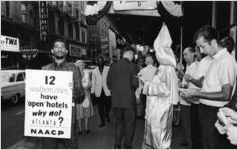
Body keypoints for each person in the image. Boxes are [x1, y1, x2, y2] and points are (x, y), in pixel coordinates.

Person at [181, 25, 237, 149]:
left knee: (213, 145)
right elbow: (211, 87)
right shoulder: (215, 60)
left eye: (202, 46)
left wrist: (197, 94)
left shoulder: (225, 61)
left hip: (214, 113)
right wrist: (196, 91)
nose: (200, 51)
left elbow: (226, 94)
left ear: (213, 42)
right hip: (207, 110)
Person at [40, 38, 84, 148]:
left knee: (72, 147)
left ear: (66, 51)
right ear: (52, 51)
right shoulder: (44, 69)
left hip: (68, 118)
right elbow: (38, 96)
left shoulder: (74, 69)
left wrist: (75, 90)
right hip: (48, 119)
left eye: (62, 47)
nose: (59, 49)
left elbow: (80, 96)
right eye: (56, 47)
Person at [141, 23, 179, 149]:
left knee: (160, 135)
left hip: (161, 108)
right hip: (159, 106)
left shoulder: (166, 69)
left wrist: (147, 85)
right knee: (158, 134)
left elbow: (165, 89)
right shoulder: (165, 68)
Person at [107, 46, 139, 149]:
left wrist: (116, 91)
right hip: (129, 101)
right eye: (133, 55)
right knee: (129, 125)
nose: (133, 57)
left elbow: (108, 83)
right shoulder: (133, 66)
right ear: (129, 54)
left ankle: (117, 144)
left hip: (116, 101)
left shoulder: (113, 65)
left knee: (119, 124)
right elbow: (135, 83)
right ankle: (127, 145)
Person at [178, 47, 197, 148]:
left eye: (186, 54)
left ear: (193, 54)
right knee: (184, 123)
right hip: (184, 99)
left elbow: (193, 83)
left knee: (188, 123)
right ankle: (186, 140)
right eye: (183, 54)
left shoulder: (195, 66)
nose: (184, 57)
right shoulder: (188, 66)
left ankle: (190, 144)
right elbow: (186, 81)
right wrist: (181, 81)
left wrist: (182, 74)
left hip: (189, 100)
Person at [91, 56, 111, 127]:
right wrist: (92, 92)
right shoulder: (94, 71)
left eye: (101, 60)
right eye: (98, 60)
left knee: (108, 106)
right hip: (98, 92)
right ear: (96, 62)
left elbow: (111, 79)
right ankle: (102, 121)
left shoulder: (108, 69)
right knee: (100, 107)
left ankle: (107, 114)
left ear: (103, 61)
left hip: (107, 90)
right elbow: (93, 82)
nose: (99, 62)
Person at [75, 60, 94, 134]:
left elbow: (90, 85)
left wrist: (87, 86)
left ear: (83, 66)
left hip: (86, 95)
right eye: (79, 65)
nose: (80, 66)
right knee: (79, 112)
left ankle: (86, 128)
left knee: (86, 112)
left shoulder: (87, 74)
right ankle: (80, 129)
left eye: (82, 65)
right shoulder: (74, 75)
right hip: (78, 96)